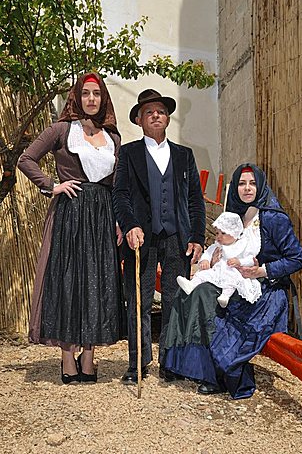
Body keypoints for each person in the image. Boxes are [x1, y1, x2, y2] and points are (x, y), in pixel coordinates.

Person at [18, 72, 124, 384]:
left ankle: (88, 358)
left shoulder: (113, 138)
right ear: (76, 97)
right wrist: (52, 185)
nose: (92, 99)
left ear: (103, 99)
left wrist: (119, 219)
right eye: (86, 93)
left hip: (102, 216)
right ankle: (67, 357)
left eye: (97, 94)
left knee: (97, 281)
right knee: (68, 280)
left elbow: (117, 186)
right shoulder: (62, 130)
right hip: (70, 214)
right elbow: (26, 159)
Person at [165, 163, 302, 398]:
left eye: (252, 183)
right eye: (241, 183)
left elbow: (296, 258)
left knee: (209, 302)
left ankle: (224, 377)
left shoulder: (272, 218)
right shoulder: (234, 215)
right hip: (230, 278)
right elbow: (222, 245)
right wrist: (212, 258)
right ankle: (190, 367)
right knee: (191, 294)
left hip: (265, 290)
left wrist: (262, 271)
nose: (247, 188)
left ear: (260, 186)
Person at [112, 89, 206, 384]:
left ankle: (171, 361)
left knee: (174, 301)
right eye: (149, 112)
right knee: (137, 300)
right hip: (140, 238)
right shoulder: (129, 153)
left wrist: (197, 235)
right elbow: (121, 194)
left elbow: (194, 199)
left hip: (176, 237)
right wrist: (129, 226)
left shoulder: (184, 155)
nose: (156, 115)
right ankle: (136, 364)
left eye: (161, 111)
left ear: (167, 119)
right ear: (139, 120)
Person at [176, 211, 262, 307]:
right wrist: (205, 260)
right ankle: (191, 285)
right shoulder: (217, 246)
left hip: (232, 272)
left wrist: (239, 262)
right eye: (217, 233)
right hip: (217, 271)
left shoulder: (242, 246)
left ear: (234, 232)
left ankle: (225, 297)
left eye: (223, 233)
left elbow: (250, 259)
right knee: (202, 274)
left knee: (231, 283)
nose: (219, 237)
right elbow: (208, 253)